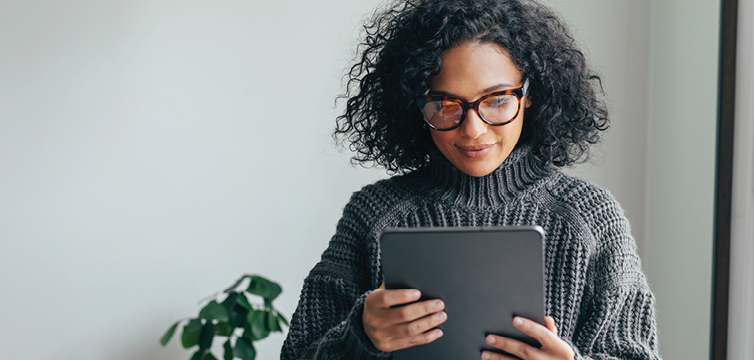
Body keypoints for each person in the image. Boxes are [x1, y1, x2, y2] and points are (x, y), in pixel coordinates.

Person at [279, 0, 662, 359]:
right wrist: (360, 335)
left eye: (496, 100)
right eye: (446, 105)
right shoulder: (374, 214)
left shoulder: (590, 217)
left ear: (529, 94)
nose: (473, 130)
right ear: (415, 102)